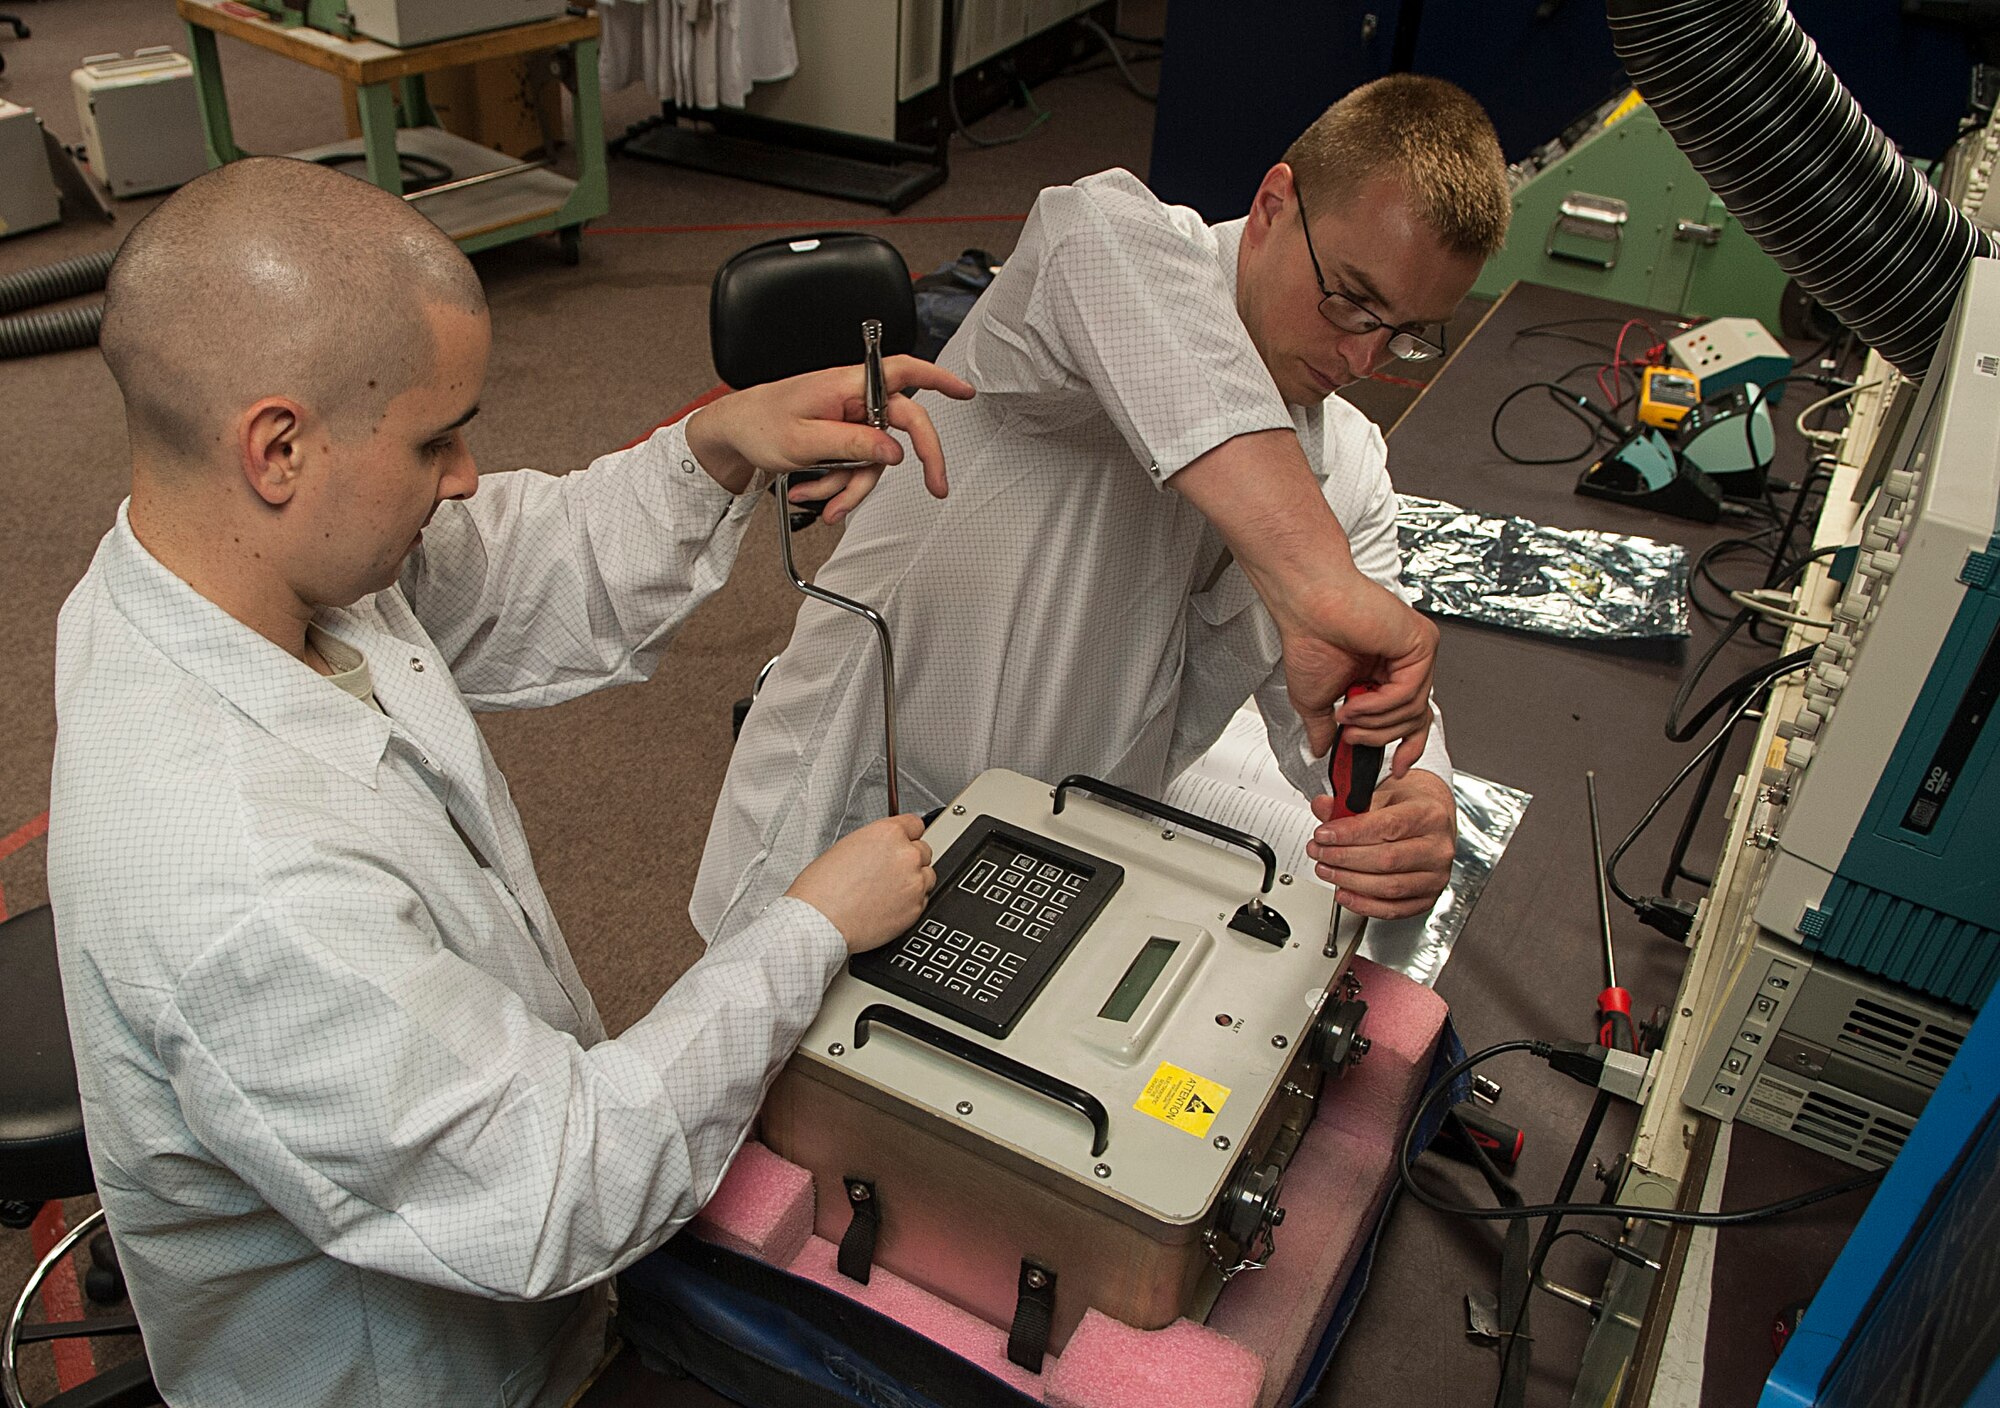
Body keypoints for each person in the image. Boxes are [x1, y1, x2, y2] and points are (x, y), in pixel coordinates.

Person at [46, 157, 974, 1408]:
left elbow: (516, 561)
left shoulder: (217, 565)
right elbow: (557, 1185)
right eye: (435, 439)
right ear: (278, 447)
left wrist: (713, 445)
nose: (467, 475)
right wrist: (805, 927)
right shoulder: (243, 880)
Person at [694, 75, 1511, 942]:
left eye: (1408, 333)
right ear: (1274, 204)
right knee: (772, 1063)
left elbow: (1361, 696)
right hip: (850, 819)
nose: (1363, 353)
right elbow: (1100, 240)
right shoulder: (1107, 265)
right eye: (1350, 296)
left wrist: (1413, 801)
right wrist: (1311, 579)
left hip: (1067, 862)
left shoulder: (1346, 464)